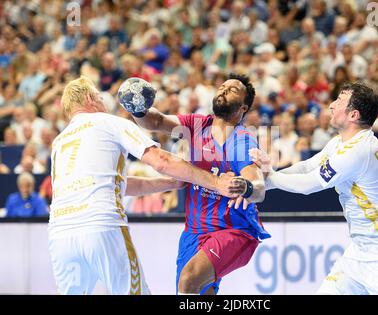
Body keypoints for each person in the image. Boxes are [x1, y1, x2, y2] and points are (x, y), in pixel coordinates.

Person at [49, 76, 239, 295]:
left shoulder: (59, 142)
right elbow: (161, 160)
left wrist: (169, 183)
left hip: (60, 234)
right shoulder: (109, 122)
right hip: (100, 225)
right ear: (90, 98)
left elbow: (116, 184)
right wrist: (215, 181)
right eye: (101, 97)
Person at [249, 82, 378, 295]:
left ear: (353, 115)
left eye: (339, 101)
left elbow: (309, 184)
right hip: (356, 256)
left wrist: (270, 180)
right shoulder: (340, 143)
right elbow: (306, 167)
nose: (331, 105)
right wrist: (265, 179)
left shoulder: (359, 150)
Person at [125, 73, 270, 295]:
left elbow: (258, 187)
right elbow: (154, 121)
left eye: (232, 90)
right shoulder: (197, 124)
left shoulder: (241, 140)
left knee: (189, 280)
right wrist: (137, 109)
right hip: (194, 231)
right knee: (197, 293)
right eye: (222, 86)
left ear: (243, 108)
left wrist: (246, 187)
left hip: (233, 230)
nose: (223, 90)